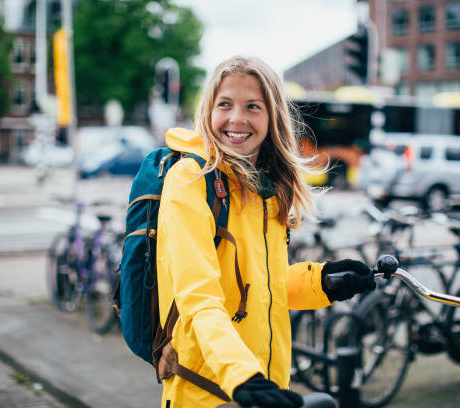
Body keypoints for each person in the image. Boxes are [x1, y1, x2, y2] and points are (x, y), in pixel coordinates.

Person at [155, 56, 375, 408]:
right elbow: (198, 298)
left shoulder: (267, 188)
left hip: (266, 389)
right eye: (224, 104)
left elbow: (258, 287)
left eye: (252, 106)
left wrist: (321, 283)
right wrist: (242, 377)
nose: (237, 118)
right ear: (208, 111)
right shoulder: (190, 181)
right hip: (209, 392)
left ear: (272, 116)